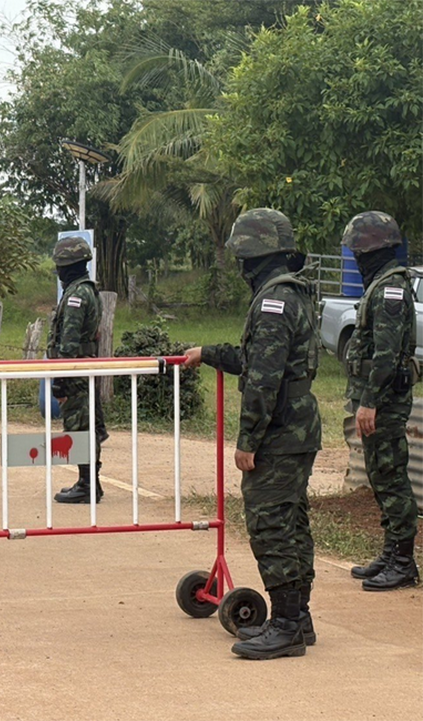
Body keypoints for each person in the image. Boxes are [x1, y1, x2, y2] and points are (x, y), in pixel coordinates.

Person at [183, 208, 320, 660]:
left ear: (251, 256)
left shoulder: (271, 302)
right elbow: (255, 358)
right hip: (298, 428)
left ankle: (284, 627)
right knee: (292, 522)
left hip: (279, 432)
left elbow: (263, 380)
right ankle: (297, 617)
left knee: (272, 526)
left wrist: (248, 440)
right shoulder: (292, 294)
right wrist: (208, 353)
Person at [342, 211, 419, 591]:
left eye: (359, 249)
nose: (356, 257)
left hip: (385, 400)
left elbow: (387, 354)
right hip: (378, 398)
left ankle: (404, 560)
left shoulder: (390, 288)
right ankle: (392, 552)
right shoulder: (382, 284)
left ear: (372, 249)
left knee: (390, 475)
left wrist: (370, 401)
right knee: (379, 473)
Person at [48, 236, 108, 504]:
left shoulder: (75, 295)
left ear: (69, 266)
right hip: (85, 369)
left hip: (76, 371)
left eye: (61, 266)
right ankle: (90, 482)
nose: (58, 272)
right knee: (88, 425)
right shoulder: (88, 290)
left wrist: (60, 381)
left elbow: (68, 343)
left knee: (79, 427)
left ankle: (87, 485)